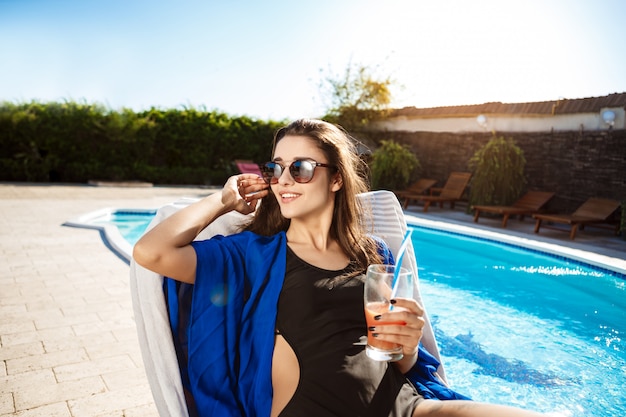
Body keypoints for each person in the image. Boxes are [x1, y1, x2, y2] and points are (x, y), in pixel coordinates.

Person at [133, 119, 548, 417]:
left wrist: (406, 343)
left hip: (405, 407)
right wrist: (224, 200)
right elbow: (152, 252)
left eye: (301, 167)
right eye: (276, 167)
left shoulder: (375, 253)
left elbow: (396, 357)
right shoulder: (251, 255)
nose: (284, 179)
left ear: (335, 179)